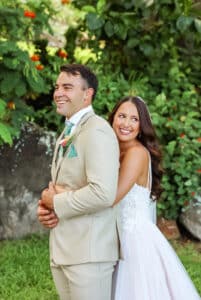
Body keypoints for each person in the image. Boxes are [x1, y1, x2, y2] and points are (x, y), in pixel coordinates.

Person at [37, 64, 120, 300]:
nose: (58, 92)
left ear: (87, 94)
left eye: (67, 87)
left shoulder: (97, 131)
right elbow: (66, 183)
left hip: (89, 255)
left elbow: (103, 193)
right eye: (57, 87)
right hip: (65, 249)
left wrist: (57, 201)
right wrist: (46, 207)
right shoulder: (68, 132)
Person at [109, 96, 200, 300]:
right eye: (122, 116)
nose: (126, 123)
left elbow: (111, 197)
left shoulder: (136, 153)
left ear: (142, 127)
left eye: (134, 119)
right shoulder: (112, 149)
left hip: (134, 239)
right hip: (115, 235)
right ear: (113, 118)